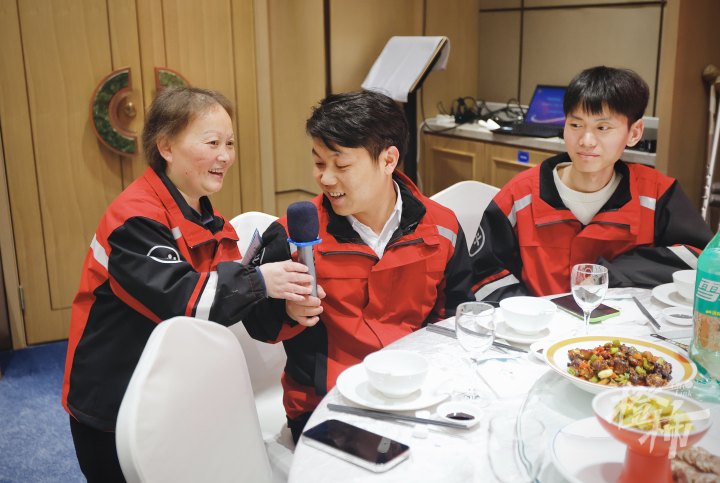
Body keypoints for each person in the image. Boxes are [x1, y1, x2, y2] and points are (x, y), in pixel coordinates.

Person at [62, 86, 313, 482]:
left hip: (179, 395)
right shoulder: (134, 219)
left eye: (230, 143)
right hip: (115, 406)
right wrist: (260, 280)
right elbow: (184, 303)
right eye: (212, 142)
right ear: (165, 147)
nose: (225, 156)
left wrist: (290, 309)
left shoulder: (210, 221)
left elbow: (243, 313)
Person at [243, 90, 474, 443]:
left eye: (341, 166)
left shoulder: (442, 227)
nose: (326, 178)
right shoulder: (292, 234)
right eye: (319, 163)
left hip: (415, 395)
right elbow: (258, 324)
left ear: (388, 159)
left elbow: (457, 317)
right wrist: (288, 312)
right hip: (327, 405)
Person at [470, 66, 713, 301]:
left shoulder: (656, 193)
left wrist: (615, 273)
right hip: (538, 326)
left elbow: (702, 257)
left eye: (602, 127)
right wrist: (532, 313)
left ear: (634, 133)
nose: (586, 141)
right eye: (575, 125)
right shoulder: (520, 195)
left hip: (623, 325)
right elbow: (483, 276)